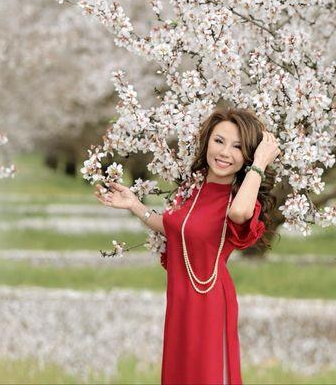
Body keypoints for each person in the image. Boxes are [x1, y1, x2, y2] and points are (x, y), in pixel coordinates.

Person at [94, 107, 280, 384]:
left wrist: (260, 164)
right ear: (207, 142)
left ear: (248, 156)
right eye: (219, 141)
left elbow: (240, 215)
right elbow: (178, 229)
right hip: (181, 298)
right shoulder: (192, 187)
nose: (225, 152)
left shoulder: (239, 198)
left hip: (209, 300)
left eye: (238, 147)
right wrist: (135, 205)